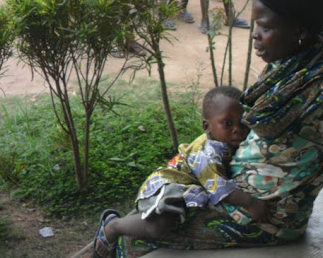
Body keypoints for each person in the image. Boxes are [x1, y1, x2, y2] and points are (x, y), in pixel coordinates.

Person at [92, 0, 323, 258]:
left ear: (300, 32)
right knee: (161, 199)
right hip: (235, 189)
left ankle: (111, 229)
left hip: (265, 217)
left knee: (143, 234)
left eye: (264, 27)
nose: (254, 35)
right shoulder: (288, 70)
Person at [92, 85, 273, 257]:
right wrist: (250, 203)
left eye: (242, 123)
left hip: (183, 187)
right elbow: (218, 187)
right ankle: (113, 226)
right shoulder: (205, 153)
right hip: (168, 185)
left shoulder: (225, 143)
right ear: (207, 126)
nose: (237, 130)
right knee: (158, 227)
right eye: (227, 123)